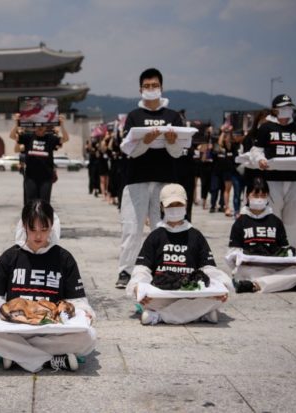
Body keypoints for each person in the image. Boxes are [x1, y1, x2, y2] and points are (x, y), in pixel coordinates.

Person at [0, 200, 96, 372]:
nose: (38, 236)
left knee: (88, 337)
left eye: (44, 230)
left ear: (52, 226)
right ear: (24, 226)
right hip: (16, 327)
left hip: (51, 329)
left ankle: (15, 355)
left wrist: (85, 313)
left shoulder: (64, 258)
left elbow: (77, 300)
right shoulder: (10, 257)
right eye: (33, 230)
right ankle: (50, 360)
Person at [116, 68, 184, 288]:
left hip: (165, 180)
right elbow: (130, 151)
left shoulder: (173, 116)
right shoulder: (134, 116)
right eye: (147, 86)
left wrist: (173, 141)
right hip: (137, 178)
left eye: (155, 86)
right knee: (132, 228)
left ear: (161, 88)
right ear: (140, 89)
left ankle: (161, 268)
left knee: (162, 227)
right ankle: (126, 271)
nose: (151, 89)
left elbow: (178, 153)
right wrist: (145, 140)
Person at [126, 184, 232, 325]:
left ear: (186, 205)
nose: (175, 209)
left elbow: (209, 268)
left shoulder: (196, 235)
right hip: (162, 293)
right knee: (148, 299)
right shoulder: (155, 236)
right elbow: (142, 268)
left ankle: (158, 316)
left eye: (178, 204)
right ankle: (199, 314)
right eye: (170, 205)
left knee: (216, 298)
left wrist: (222, 285)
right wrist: (137, 287)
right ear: (162, 207)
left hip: (190, 293)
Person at [249, 94, 296, 247]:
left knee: (295, 217)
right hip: (272, 180)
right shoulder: (266, 127)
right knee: (272, 215)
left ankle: (291, 249)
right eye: (283, 108)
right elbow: (256, 150)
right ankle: (271, 248)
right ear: (275, 110)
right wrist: (259, 160)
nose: (287, 110)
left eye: (289, 107)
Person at [228, 177, 296, 293]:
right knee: (243, 272)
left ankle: (255, 285)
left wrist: (291, 259)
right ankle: (287, 284)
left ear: (268, 196)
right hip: (252, 268)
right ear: (247, 196)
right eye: (255, 195)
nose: (259, 199)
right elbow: (232, 253)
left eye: (263, 195)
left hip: (274, 267)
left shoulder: (275, 221)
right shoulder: (240, 222)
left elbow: (284, 249)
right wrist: (240, 258)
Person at [9, 114, 69, 204]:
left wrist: (62, 125)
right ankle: (31, 218)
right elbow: (12, 136)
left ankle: (43, 218)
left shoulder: (50, 138)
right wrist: (17, 124)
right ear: (34, 126)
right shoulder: (28, 137)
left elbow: (66, 139)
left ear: (46, 127)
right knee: (31, 202)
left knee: (44, 203)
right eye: (38, 125)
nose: (40, 127)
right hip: (30, 177)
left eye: (43, 125)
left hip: (46, 177)